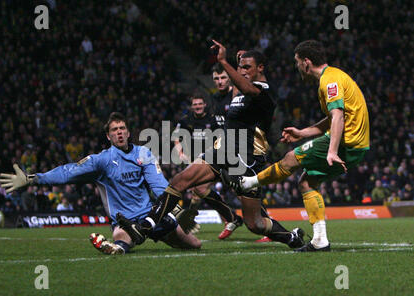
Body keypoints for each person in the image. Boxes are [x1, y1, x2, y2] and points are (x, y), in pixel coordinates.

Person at [115, 40, 305, 250]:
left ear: (261, 68)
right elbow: (238, 88)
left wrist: (223, 61)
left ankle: (291, 238)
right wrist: (236, 63)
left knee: (255, 224)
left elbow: (247, 88)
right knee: (180, 180)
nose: (242, 71)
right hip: (222, 150)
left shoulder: (264, 93)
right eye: (241, 67)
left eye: (247, 67)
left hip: (247, 160)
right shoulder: (240, 91)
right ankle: (144, 227)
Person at [222, 40, 370, 252]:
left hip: (348, 141)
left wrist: (332, 151)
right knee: (306, 183)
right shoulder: (333, 78)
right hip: (358, 146)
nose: (296, 66)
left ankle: (248, 183)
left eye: (297, 62)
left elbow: (338, 117)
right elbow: (332, 119)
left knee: (291, 158)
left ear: (307, 62)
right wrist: (303, 133)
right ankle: (320, 241)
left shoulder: (330, 81)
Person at [0, 112, 201, 255]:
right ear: (108, 136)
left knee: (195, 245)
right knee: (120, 244)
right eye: (115, 130)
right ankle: (117, 247)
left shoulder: (143, 153)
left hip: (152, 217)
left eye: (122, 128)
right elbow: (67, 172)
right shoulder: (101, 161)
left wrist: (176, 211)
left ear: (129, 132)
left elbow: (159, 186)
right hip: (125, 221)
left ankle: (125, 244)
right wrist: (33, 178)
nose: (119, 132)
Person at [174, 93, 243, 239]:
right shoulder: (186, 121)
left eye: (200, 104)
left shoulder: (214, 120)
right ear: (191, 106)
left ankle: (252, 219)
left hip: (216, 158)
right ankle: (231, 218)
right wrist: (180, 152)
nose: (197, 107)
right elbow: (176, 138)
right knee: (199, 190)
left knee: (239, 188)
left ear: (205, 104)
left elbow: (222, 136)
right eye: (195, 104)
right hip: (198, 161)